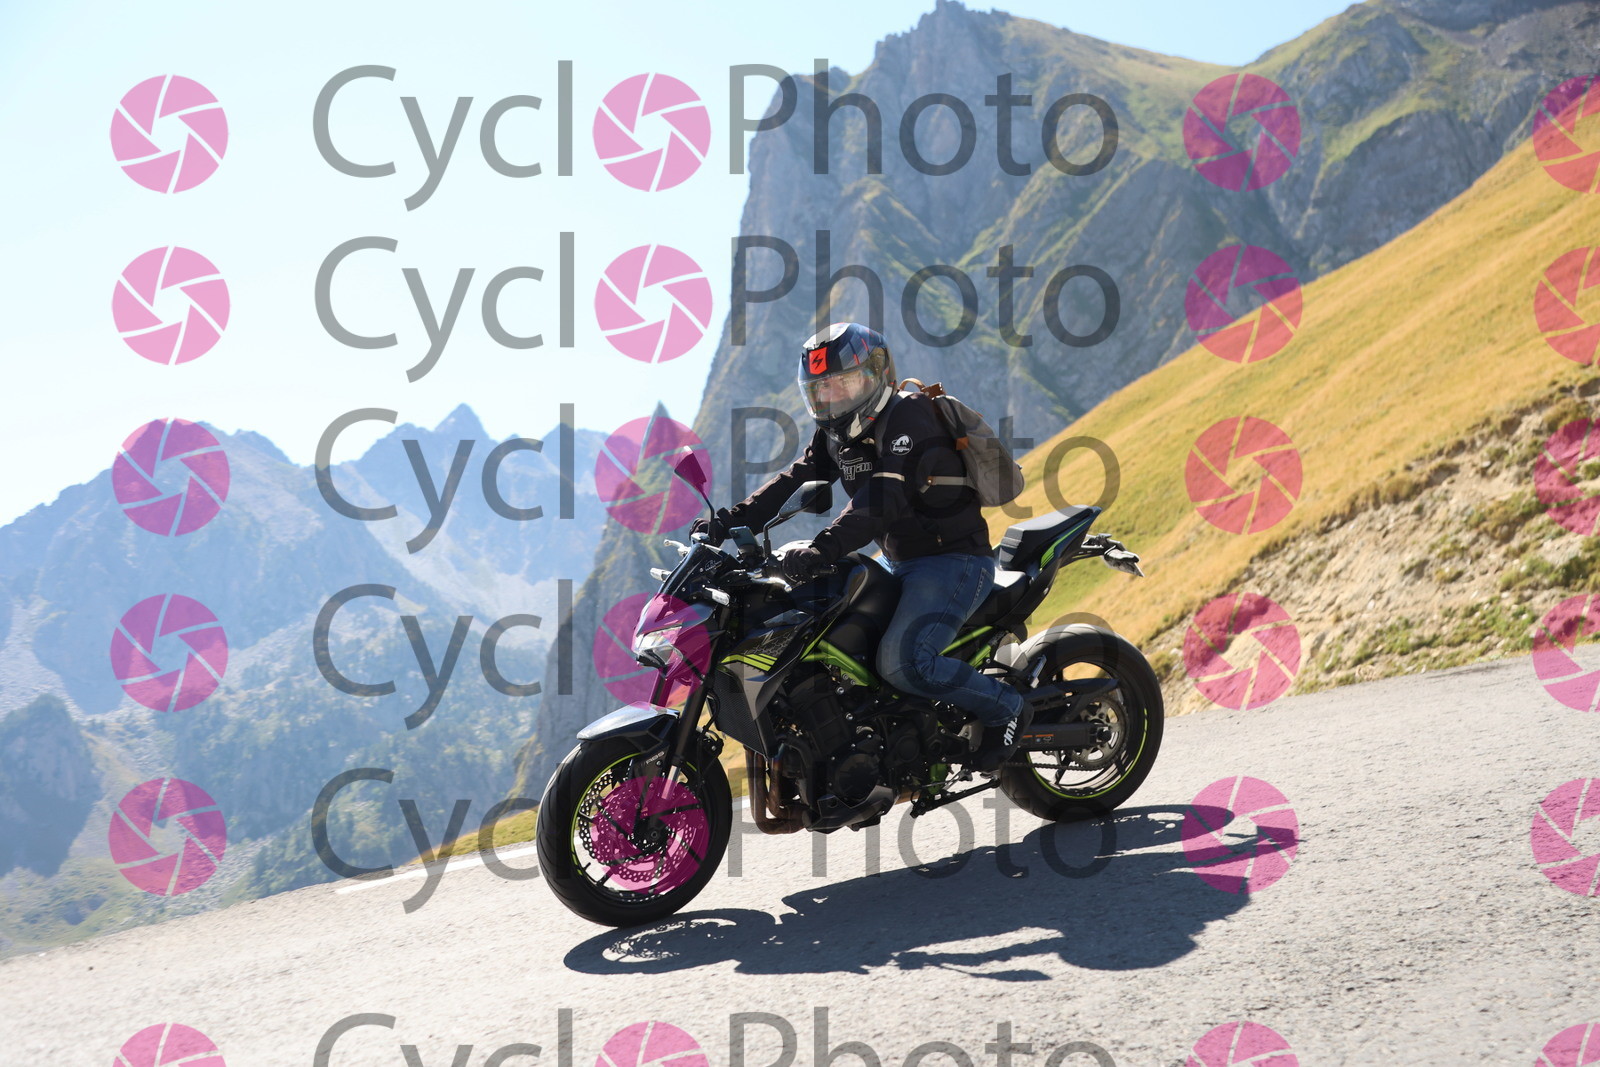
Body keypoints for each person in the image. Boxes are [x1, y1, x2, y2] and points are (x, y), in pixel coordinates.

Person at [691, 321, 1028, 772]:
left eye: (842, 383)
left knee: (904, 662)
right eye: (820, 388)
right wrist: (726, 523)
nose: (831, 396)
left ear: (875, 374)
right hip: (896, 560)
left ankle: (1006, 706)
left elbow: (881, 498)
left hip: (953, 560)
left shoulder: (910, 416)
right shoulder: (836, 433)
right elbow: (792, 480)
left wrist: (823, 547)